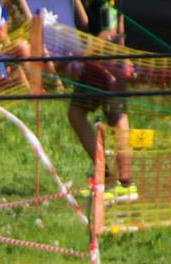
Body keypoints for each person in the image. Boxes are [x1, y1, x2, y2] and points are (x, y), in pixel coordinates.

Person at [69, 0, 137, 200]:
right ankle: (106, 178)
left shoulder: (105, 3)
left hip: (107, 65)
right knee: (76, 114)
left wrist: (86, 55)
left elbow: (111, 31)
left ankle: (125, 184)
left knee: (117, 119)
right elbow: (91, 23)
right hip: (97, 66)